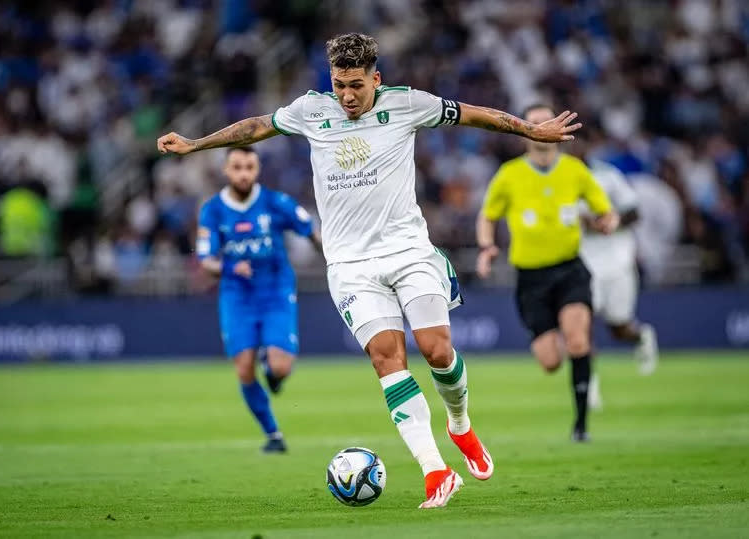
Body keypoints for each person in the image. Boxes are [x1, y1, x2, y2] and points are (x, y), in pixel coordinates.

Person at [159, 33, 581, 508]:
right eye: (339, 85)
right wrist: (195, 144)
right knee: (387, 358)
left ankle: (460, 425)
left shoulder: (408, 104)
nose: (347, 96)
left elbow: (474, 114)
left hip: (409, 252)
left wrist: (529, 130)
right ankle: (435, 471)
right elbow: (256, 127)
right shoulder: (310, 111)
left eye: (356, 85)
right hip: (351, 266)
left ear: (375, 79)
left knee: (437, 351)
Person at [476, 103, 618, 443]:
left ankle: (581, 426)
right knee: (551, 361)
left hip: (570, 269)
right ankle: (560, 341)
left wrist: (608, 221)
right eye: (536, 122)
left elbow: (605, 210)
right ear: (525, 129)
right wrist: (487, 247)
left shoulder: (575, 170)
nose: (543, 126)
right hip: (531, 278)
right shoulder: (509, 174)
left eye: (547, 120)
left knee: (578, 341)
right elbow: (488, 216)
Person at [196, 146, 322, 453]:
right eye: (237, 167)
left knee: (280, 368)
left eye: (249, 167)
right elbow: (205, 260)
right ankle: (274, 435)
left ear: (257, 170)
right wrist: (228, 267)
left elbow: (312, 233)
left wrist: (340, 261)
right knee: (243, 369)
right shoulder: (212, 210)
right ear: (226, 171)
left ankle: (273, 369)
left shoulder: (275, 202)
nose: (243, 173)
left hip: (276, 291)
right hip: (237, 296)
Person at [578, 157, 659, 383]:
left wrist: (609, 221)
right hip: (582, 262)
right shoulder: (557, 177)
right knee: (581, 323)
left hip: (617, 260)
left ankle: (642, 336)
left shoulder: (608, 175)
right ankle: (587, 382)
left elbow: (634, 212)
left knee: (619, 327)